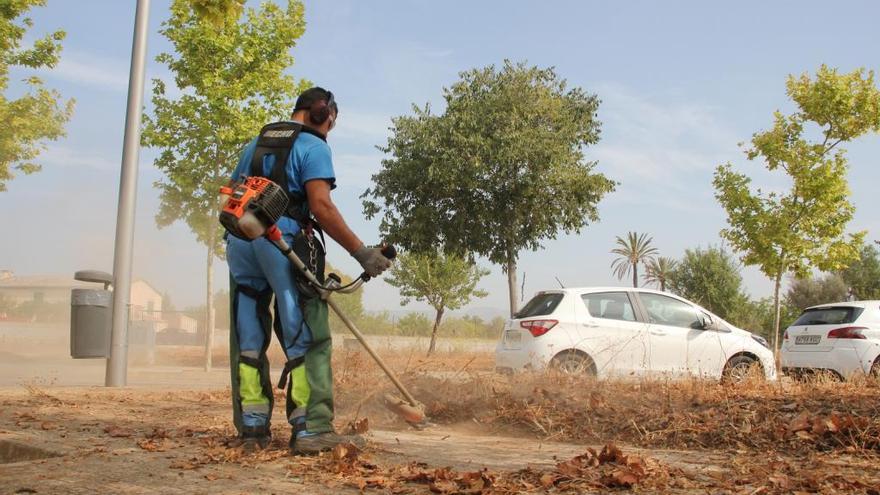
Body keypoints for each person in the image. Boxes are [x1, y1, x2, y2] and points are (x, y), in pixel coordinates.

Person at [224, 87, 392, 454]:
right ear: (322, 112)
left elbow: (234, 193)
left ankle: (252, 428)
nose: (329, 128)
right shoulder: (314, 145)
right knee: (306, 334)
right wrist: (362, 253)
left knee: (248, 336)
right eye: (331, 121)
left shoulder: (256, 143)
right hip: (280, 239)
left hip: (240, 240)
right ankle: (311, 427)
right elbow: (321, 206)